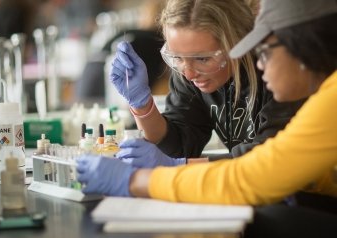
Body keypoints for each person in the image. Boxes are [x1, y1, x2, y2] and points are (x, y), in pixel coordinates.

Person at [76, 0, 337, 238]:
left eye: (264, 50)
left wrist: (141, 180)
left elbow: (251, 179)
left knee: (262, 221)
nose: (258, 62)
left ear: (303, 48)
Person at [109, 0, 304, 164]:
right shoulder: (189, 72)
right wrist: (142, 105)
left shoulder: (275, 73)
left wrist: (177, 166)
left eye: (202, 59)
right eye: (176, 58)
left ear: (238, 43)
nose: (189, 74)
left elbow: (265, 160)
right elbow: (180, 146)